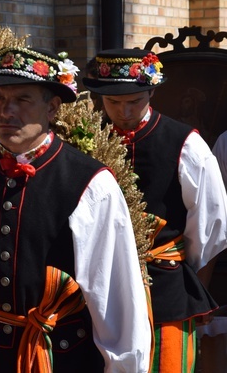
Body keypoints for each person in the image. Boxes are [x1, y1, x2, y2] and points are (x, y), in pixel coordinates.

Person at [0, 46, 151, 372]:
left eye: (22, 99)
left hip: (55, 355)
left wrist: (124, 365)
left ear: (52, 108)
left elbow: (113, 291)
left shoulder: (91, 183)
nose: (5, 110)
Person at [83, 48, 227, 373]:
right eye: (113, 103)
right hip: (97, 286)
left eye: (134, 100)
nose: (124, 111)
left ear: (151, 91)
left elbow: (210, 225)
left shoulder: (185, 144)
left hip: (166, 288)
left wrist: (189, 282)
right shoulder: (84, 140)